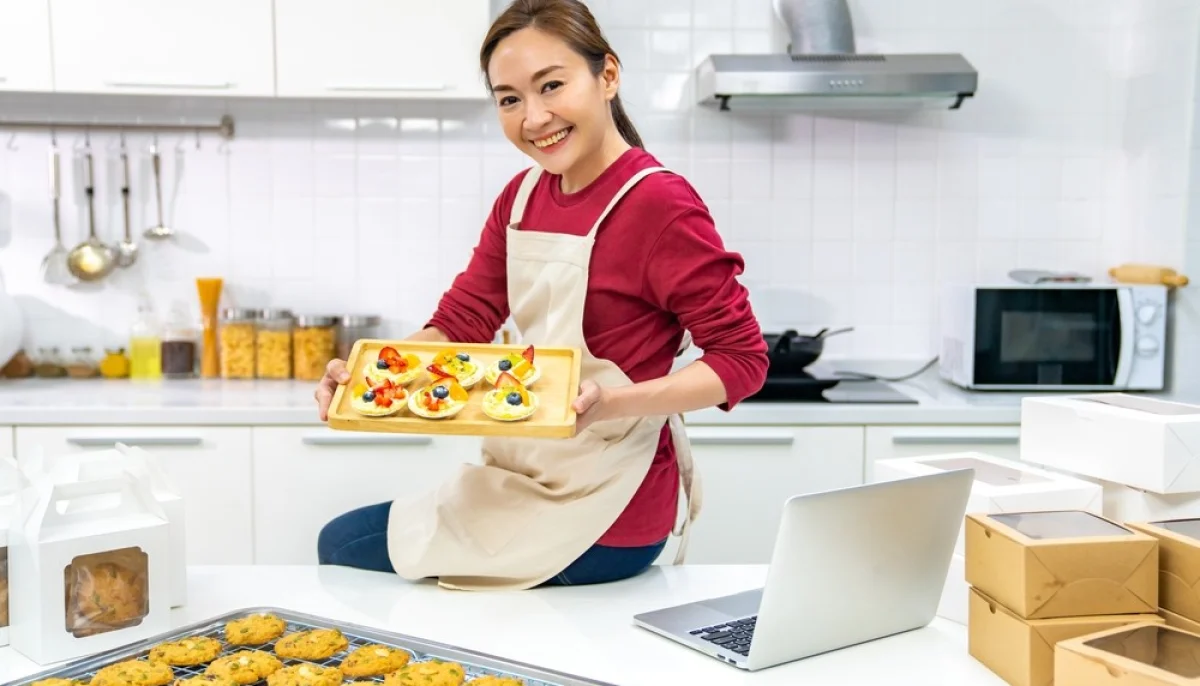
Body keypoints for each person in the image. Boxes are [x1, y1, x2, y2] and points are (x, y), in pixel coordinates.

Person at [313, 0, 768, 591]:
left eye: (551, 85)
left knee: (349, 551)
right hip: (525, 471)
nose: (533, 117)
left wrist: (611, 402)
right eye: (509, 98)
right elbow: (466, 315)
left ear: (607, 76)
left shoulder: (659, 204)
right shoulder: (522, 196)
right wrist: (378, 376)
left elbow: (743, 361)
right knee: (341, 543)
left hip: (609, 504)